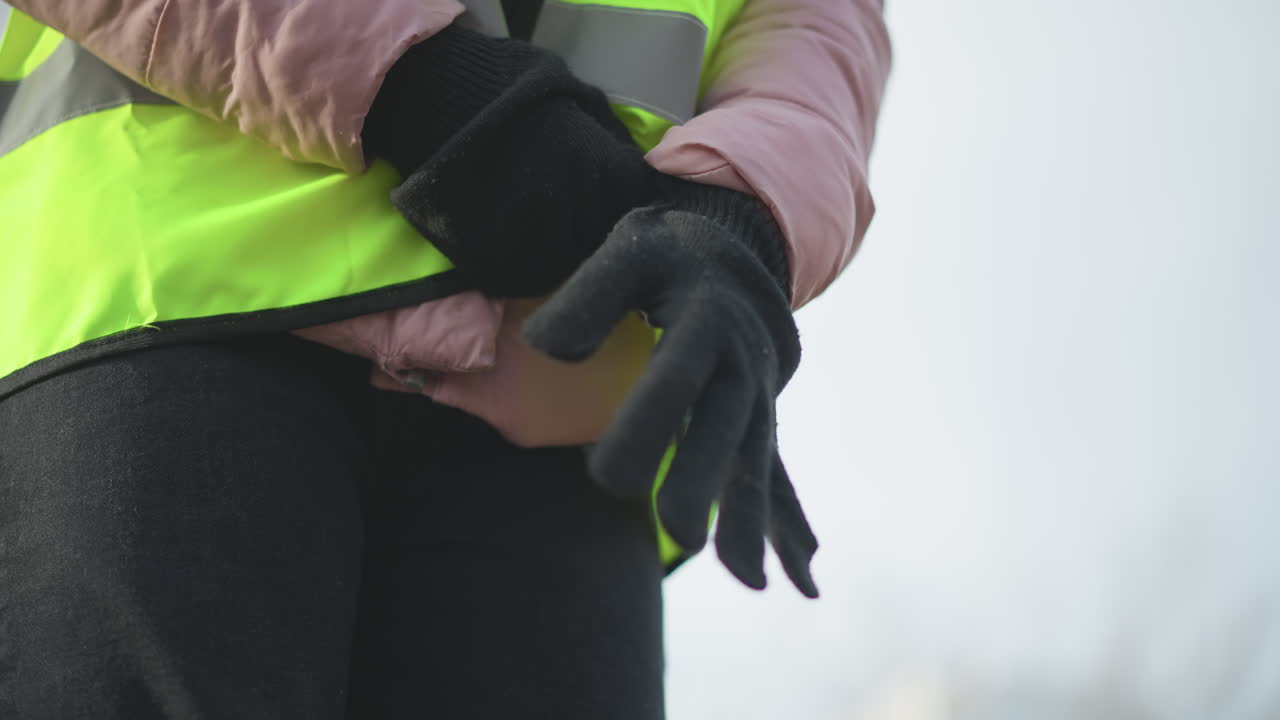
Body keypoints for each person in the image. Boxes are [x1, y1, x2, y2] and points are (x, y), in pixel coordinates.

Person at [0, 0, 891, 716]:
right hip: (178, 302)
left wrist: (743, 212)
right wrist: (425, 87)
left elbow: (818, 21)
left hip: (566, 371)